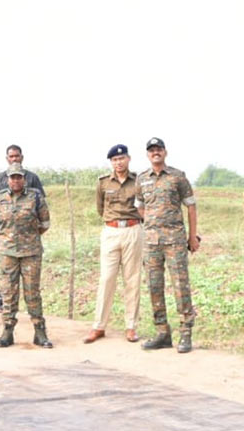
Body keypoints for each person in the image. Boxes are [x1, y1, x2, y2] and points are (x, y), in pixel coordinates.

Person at [136, 138, 199, 354]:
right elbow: (140, 207)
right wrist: (152, 222)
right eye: (152, 150)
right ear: (148, 154)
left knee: (181, 286)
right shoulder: (142, 179)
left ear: (165, 152)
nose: (155, 153)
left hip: (175, 240)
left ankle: (185, 332)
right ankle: (162, 332)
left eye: (159, 149)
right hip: (151, 242)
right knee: (154, 286)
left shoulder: (177, 176)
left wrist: (192, 236)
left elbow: (191, 207)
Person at [0, 163, 53, 348]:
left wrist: (29, 238)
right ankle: (7, 332)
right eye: (12, 177)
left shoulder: (35, 196)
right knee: (9, 293)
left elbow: (45, 223)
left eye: (19, 177)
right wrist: (6, 239)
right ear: (7, 179)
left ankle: (40, 332)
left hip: (31, 252)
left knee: (32, 292)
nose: (16, 180)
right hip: (7, 253)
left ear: (24, 179)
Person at [85, 143, 142, 344]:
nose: (118, 162)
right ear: (111, 162)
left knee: (132, 279)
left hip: (133, 230)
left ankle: (131, 327)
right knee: (107, 278)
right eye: (115, 160)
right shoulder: (103, 182)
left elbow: (143, 206)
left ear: (128, 159)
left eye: (122, 158)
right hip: (111, 231)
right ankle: (99, 326)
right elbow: (100, 208)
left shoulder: (138, 181)